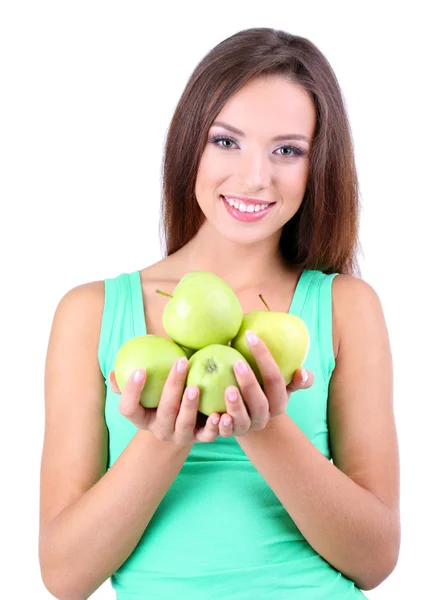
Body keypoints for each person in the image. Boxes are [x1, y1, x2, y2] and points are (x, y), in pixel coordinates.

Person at [38, 27, 400, 599]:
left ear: (318, 165)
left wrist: (266, 426)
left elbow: (376, 559)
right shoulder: (92, 313)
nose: (255, 176)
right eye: (226, 141)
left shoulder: (343, 307)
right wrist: (166, 437)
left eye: (287, 149)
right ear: (190, 145)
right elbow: (64, 576)